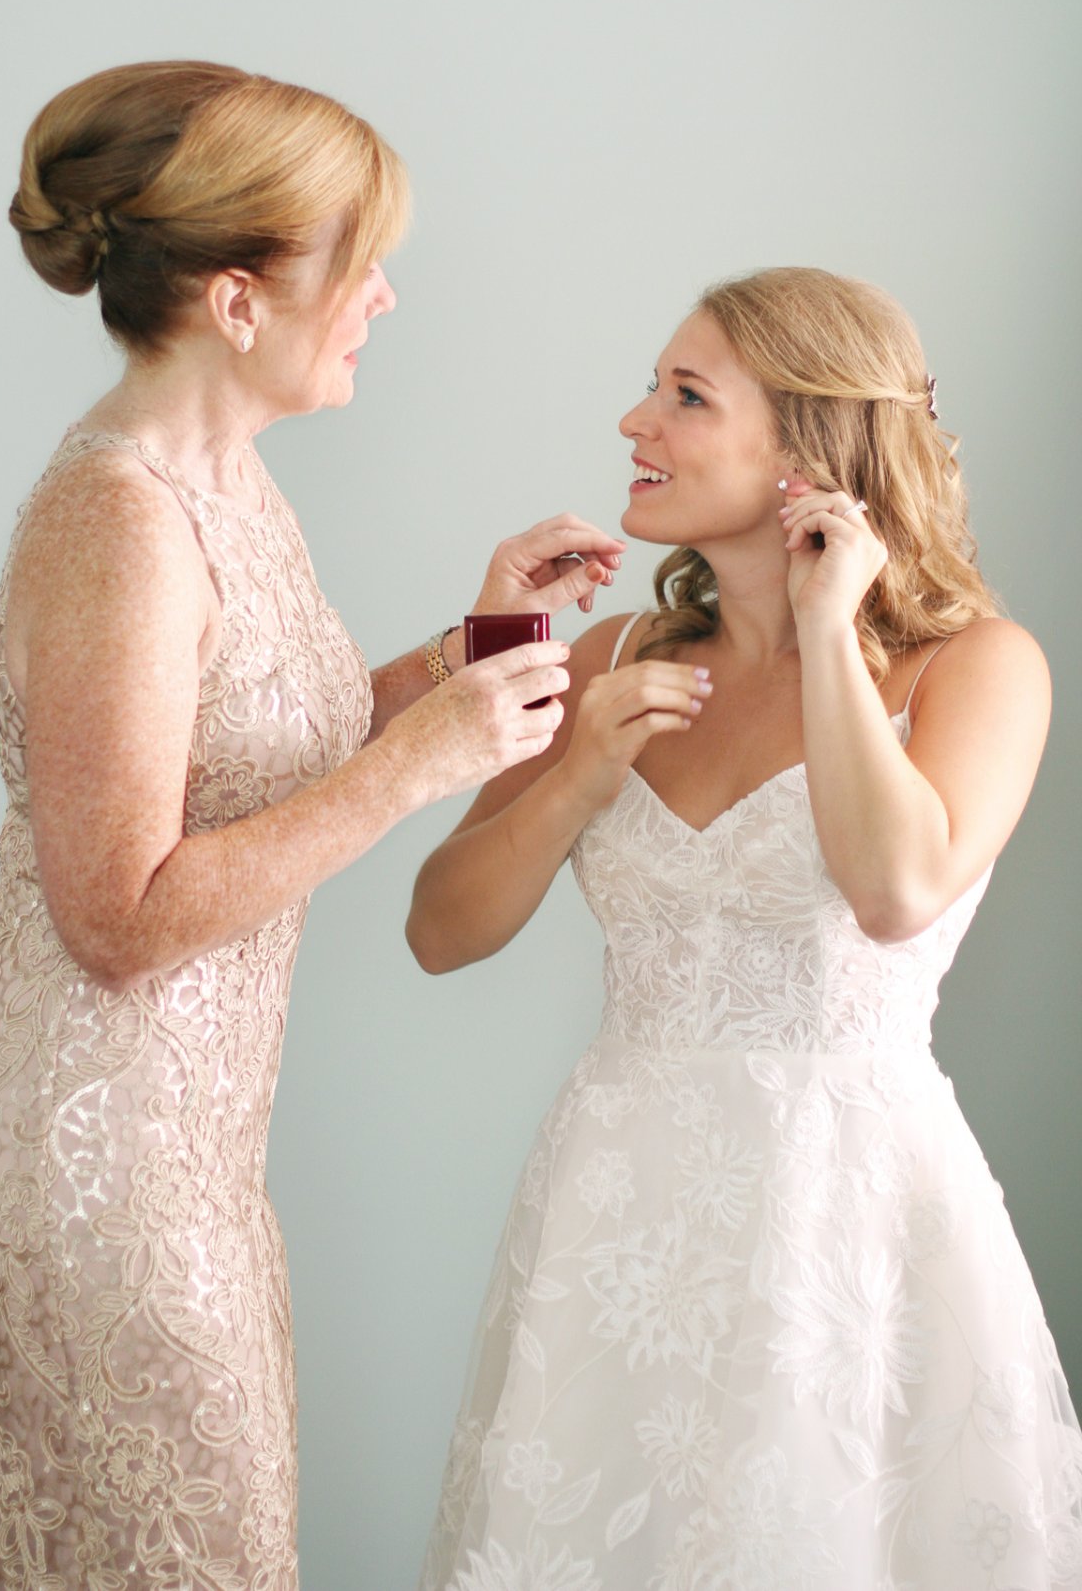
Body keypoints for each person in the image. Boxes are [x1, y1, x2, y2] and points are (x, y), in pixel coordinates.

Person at [0, 60, 623, 1591]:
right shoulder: (118, 520)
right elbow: (116, 918)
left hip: (186, 1138)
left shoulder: (225, 479)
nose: (385, 298)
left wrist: (474, 644)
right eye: (356, 265)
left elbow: (266, 745)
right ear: (236, 302)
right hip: (91, 1145)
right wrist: (415, 770)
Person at [409, 268, 1082, 1590]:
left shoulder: (980, 666)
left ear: (806, 447)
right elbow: (441, 928)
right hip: (618, 1209)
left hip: (850, 1213)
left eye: (685, 395)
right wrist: (577, 772)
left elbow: (897, 892)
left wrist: (828, 632)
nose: (634, 422)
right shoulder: (609, 658)